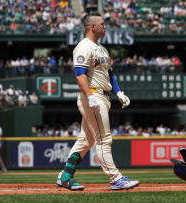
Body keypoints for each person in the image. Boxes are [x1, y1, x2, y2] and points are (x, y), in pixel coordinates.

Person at [56, 12, 139, 191]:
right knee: (104, 139)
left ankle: (65, 176)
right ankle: (115, 178)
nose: (105, 26)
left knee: (85, 141)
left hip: (103, 96)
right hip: (92, 96)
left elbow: (109, 74)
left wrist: (119, 92)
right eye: (102, 24)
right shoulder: (83, 47)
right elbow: (80, 75)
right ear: (93, 27)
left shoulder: (102, 49)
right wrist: (90, 96)